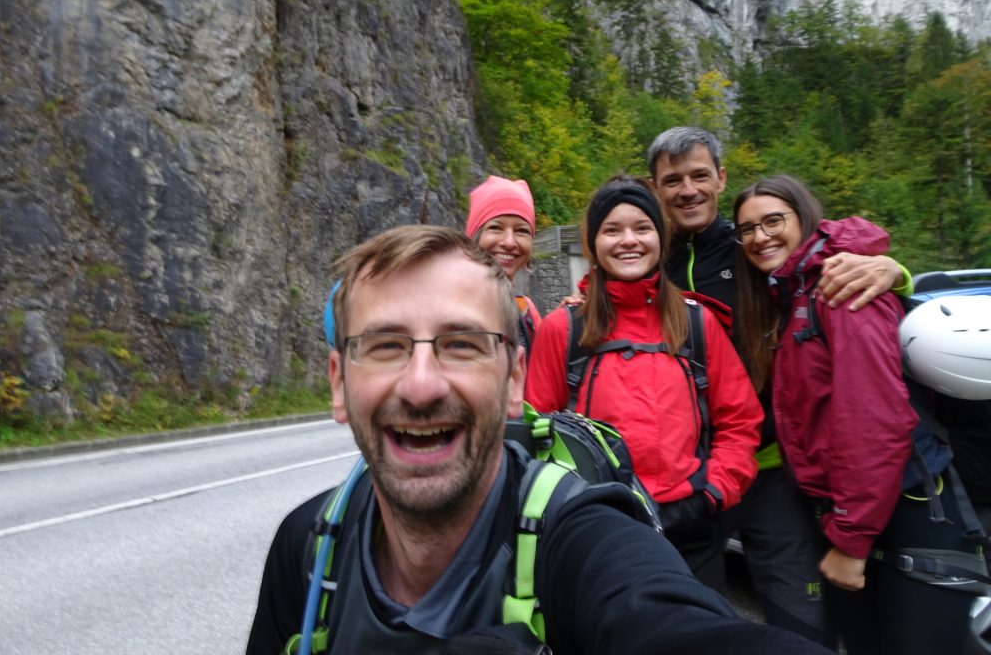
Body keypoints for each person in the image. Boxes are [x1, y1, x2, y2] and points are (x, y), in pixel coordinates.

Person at [246, 224, 833, 655]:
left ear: (514, 381)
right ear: (338, 384)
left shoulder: (579, 536)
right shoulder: (307, 545)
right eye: (384, 345)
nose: (421, 386)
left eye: (462, 344)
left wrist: (707, 493)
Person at [646, 126, 910, 647]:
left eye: (700, 175)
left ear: (720, 178)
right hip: (686, 471)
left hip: (770, 467)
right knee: (686, 618)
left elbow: (821, 261)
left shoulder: (749, 244)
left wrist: (893, 269)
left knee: (801, 620)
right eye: (672, 180)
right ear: (656, 189)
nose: (688, 189)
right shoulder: (650, 259)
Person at [732, 175, 980, 654]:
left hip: (905, 505)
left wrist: (850, 538)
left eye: (772, 221)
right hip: (870, 510)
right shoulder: (799, 290)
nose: (760, 237)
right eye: (747, 229)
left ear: (804, 218)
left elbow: (874, 422)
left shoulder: (841, 289)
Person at [524, 176, 763, 591]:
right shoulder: (563, 329)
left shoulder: (696, 323)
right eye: (612, 230)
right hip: (598, 528)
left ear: (660, 236)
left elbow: (740, 420)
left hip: (693, 529)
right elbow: (535, 432)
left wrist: (711, 495)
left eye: (642, 227)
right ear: (593, 243)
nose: (628, 241)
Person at [466, 175, 542, 356]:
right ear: (474, 236)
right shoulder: (443, 306)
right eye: (496, 228)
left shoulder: (526, 312)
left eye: (521, 231)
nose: (509, 242)